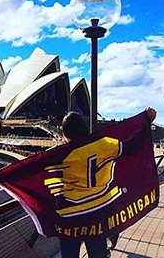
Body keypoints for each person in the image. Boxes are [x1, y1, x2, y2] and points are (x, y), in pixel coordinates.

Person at [59, 107, 156, 258]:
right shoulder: (103, 145)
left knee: (69, 254)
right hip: (96, 214)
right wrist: (146, 122)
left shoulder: (58, 154)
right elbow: (131, 146)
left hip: (69, 216)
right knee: (98, 254)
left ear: (65, 134)